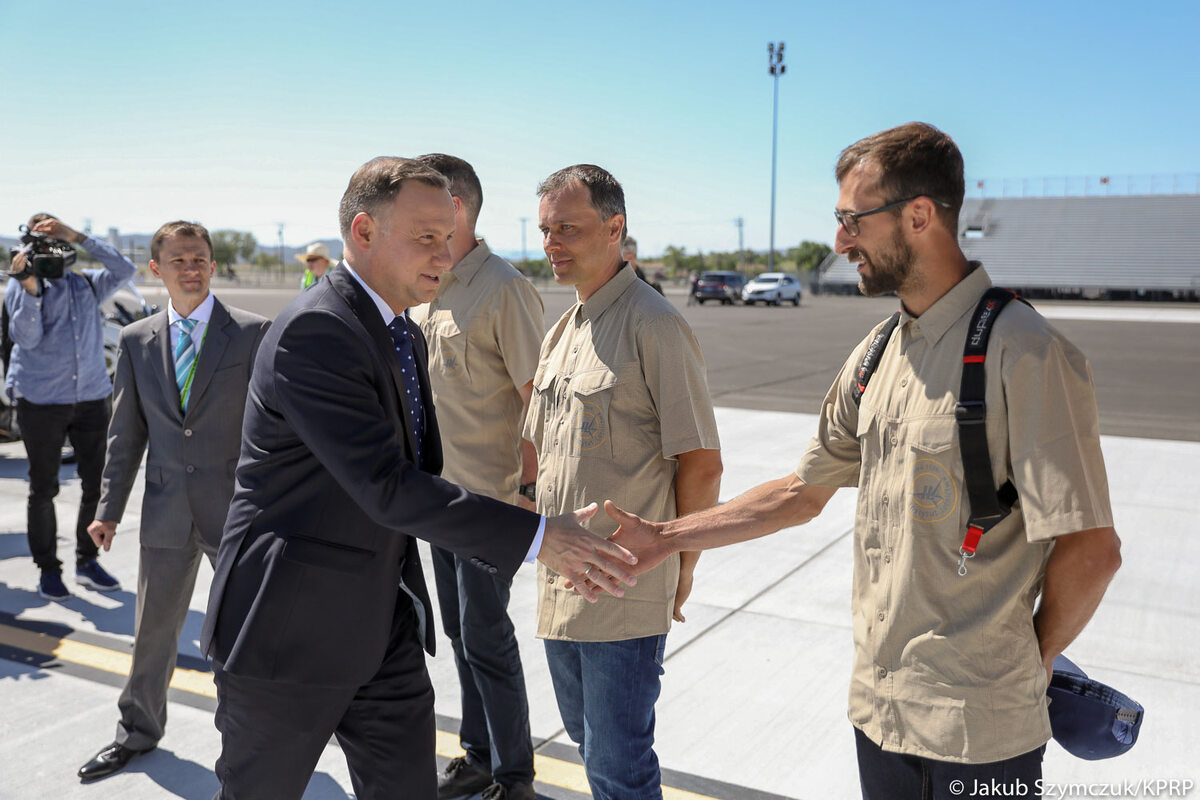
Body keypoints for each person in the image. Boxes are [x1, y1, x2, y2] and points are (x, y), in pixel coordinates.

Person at [604, 123, 1123, 800]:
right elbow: (800, 492)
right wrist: (664, 540)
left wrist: (1034, 660)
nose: (841, 240)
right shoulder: (878, 353)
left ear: (919, 216)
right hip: (879, 716)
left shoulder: (1023, 352)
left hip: (982, 732)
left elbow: (1091, 548)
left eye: (852, 220)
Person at [200, 156, 639, 800]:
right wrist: (542, 534)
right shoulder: (320, 329)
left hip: (382, 631)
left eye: (449, 236)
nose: (445, 253)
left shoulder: (400, 327)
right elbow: (385, 486)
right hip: (290, 634)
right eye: (426, 238)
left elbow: (418, 470)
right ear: (364, 232)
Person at [527, 164, 723, 799]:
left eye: (569, 229)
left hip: (623, 586)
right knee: (590, 746)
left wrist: (682, 563)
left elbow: (700, 461)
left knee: (619, 763)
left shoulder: (654, 325)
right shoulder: (563, 330)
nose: (553, 244)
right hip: (562, 583)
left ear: (615, 228)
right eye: (546, 230)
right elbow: (541, 455)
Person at [75, 221, 270, 781]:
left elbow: (275, 428)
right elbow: (124, 435)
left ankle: (252, 742)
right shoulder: (138, 341)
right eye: (179, 259)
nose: (192, 267)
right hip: (163, 513)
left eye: (201, 258)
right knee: (152, 632)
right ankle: (136, 732)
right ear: (155, 270)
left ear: (212, 264)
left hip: (236, 512)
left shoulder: (253, 333)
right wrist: (108, 509)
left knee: (241, 637)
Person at [411, 154, 545, 800]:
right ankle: (479, 756)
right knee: (461, 635)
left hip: (491, 504)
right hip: (442, 501)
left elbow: (538, 405)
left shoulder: (504, 289)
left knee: (489, 639)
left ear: (456, 209)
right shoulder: (433, 285)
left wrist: (526, 495)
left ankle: (515, 777)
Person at [4, 214, 135, 601]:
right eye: (40, 245)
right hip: (42, 401)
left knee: (97, 484)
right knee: (43, 488)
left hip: (92, 397)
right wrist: (29, 290)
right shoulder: (23, 287)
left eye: (57, 244)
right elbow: (24, 339)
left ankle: (86, 560)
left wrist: (77, 234)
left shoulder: (86, 284)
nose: (50, 253)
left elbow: (125, 268)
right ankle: (48, 569)